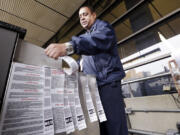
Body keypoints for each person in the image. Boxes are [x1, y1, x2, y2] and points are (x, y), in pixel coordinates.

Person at [45, 5, 128, 135]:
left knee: (115, 127)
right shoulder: (86, 37)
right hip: (93, 89)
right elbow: (84, 60)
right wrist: (72, 67)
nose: (82, 18)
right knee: (101, 127)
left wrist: (68, 47)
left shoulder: (103, 28)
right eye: (80, 16)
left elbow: (95, 41)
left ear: (94, 15)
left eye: (85, 14)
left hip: (108, 86)